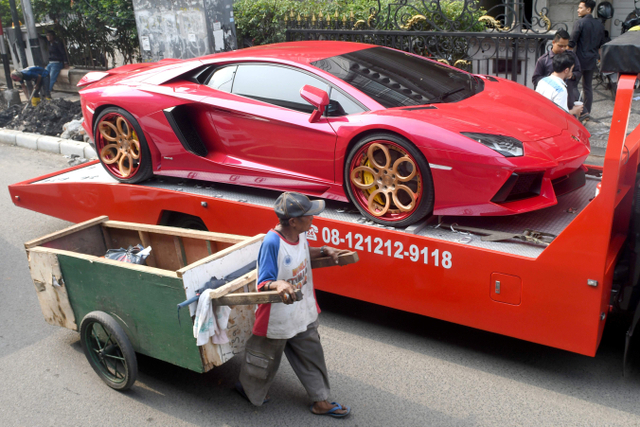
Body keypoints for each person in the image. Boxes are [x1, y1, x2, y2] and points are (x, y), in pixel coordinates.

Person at [236, 191, 351, 418]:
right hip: (276, 318)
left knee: (312, 355)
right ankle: (248, 390)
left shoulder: (299, 234)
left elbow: (303, 253)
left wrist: (324, 250)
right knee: (262, 361)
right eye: (309, 216)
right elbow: (264, 282)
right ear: (293, 221)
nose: (313, 219)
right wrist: (278, 284)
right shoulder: (271, 242)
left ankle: (321, 401)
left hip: (302, 310)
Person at [571, 0, 605, 121]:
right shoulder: (600, 25)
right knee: (588, 87)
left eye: (580, 8)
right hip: (591, 59)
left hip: (579, 60)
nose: (578, 10)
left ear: (588, 9)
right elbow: (602, 44)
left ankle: (583, 111)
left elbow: (572, 41)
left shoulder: (580, 23)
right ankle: (587, 112)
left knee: (572, 85)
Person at [532, 30, 582, 110]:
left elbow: (578, 72)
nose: (563, 49)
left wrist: (572, 75)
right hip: (551, 99)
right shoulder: (543, 60)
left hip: (569, 95)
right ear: (553, 42)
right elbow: (535, 79)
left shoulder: (571, 56)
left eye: (565, 46)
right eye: (560, 46)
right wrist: (552, 80)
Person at [535, 52, 584, 118]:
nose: (572, 72)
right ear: (566, 70)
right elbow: (560, 115)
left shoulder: (542, 81)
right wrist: (574, 111)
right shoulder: (561, 90)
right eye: (571, 69)